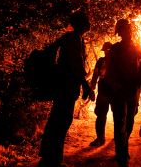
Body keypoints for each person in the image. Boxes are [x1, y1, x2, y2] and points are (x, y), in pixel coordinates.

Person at [38, 11, 95, 167]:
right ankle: (53, 159)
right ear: (81, 24)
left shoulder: (74, 39)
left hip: (66, 86)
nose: (89, 24)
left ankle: (50, 156)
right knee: (61, 121)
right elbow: (76, 66)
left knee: (58, 119)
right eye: (86, 21)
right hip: (66, 87)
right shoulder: (73, 39)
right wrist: (86, 86)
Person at [105, 19, 141, 167]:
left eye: (129, 29)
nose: (128, 32)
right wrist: (116, 85)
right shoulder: (115, 50)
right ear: (119, 32)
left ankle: (123, 146)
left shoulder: (137, 49)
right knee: (120, 122)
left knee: (129, 121)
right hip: (118, 91)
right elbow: (109, 71)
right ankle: (121, 153)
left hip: (133, 90)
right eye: (125, 30)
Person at [89, 41, 113, 147]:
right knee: (101, 115)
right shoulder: (100, 61)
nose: (107, 52)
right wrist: (92, 89)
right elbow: (95, 76)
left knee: (119, 116)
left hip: (114, 92)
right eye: (105, 50)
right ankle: (100, 138)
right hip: (103, 92)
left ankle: (119, 137)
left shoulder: (117, 62)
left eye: (108, 50)